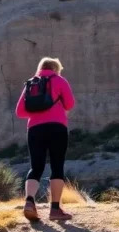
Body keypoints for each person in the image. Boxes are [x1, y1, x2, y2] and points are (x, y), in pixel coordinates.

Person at [16, 57, 76, 222]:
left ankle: (29, 202)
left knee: (36, 167)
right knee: (57, 166)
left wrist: (38, 113)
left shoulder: (31, 83)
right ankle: (55, 210)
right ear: (56, 68)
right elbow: (70, 104)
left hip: (35, 129)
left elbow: (20, 112)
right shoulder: (59, 80)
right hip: (57, 127)